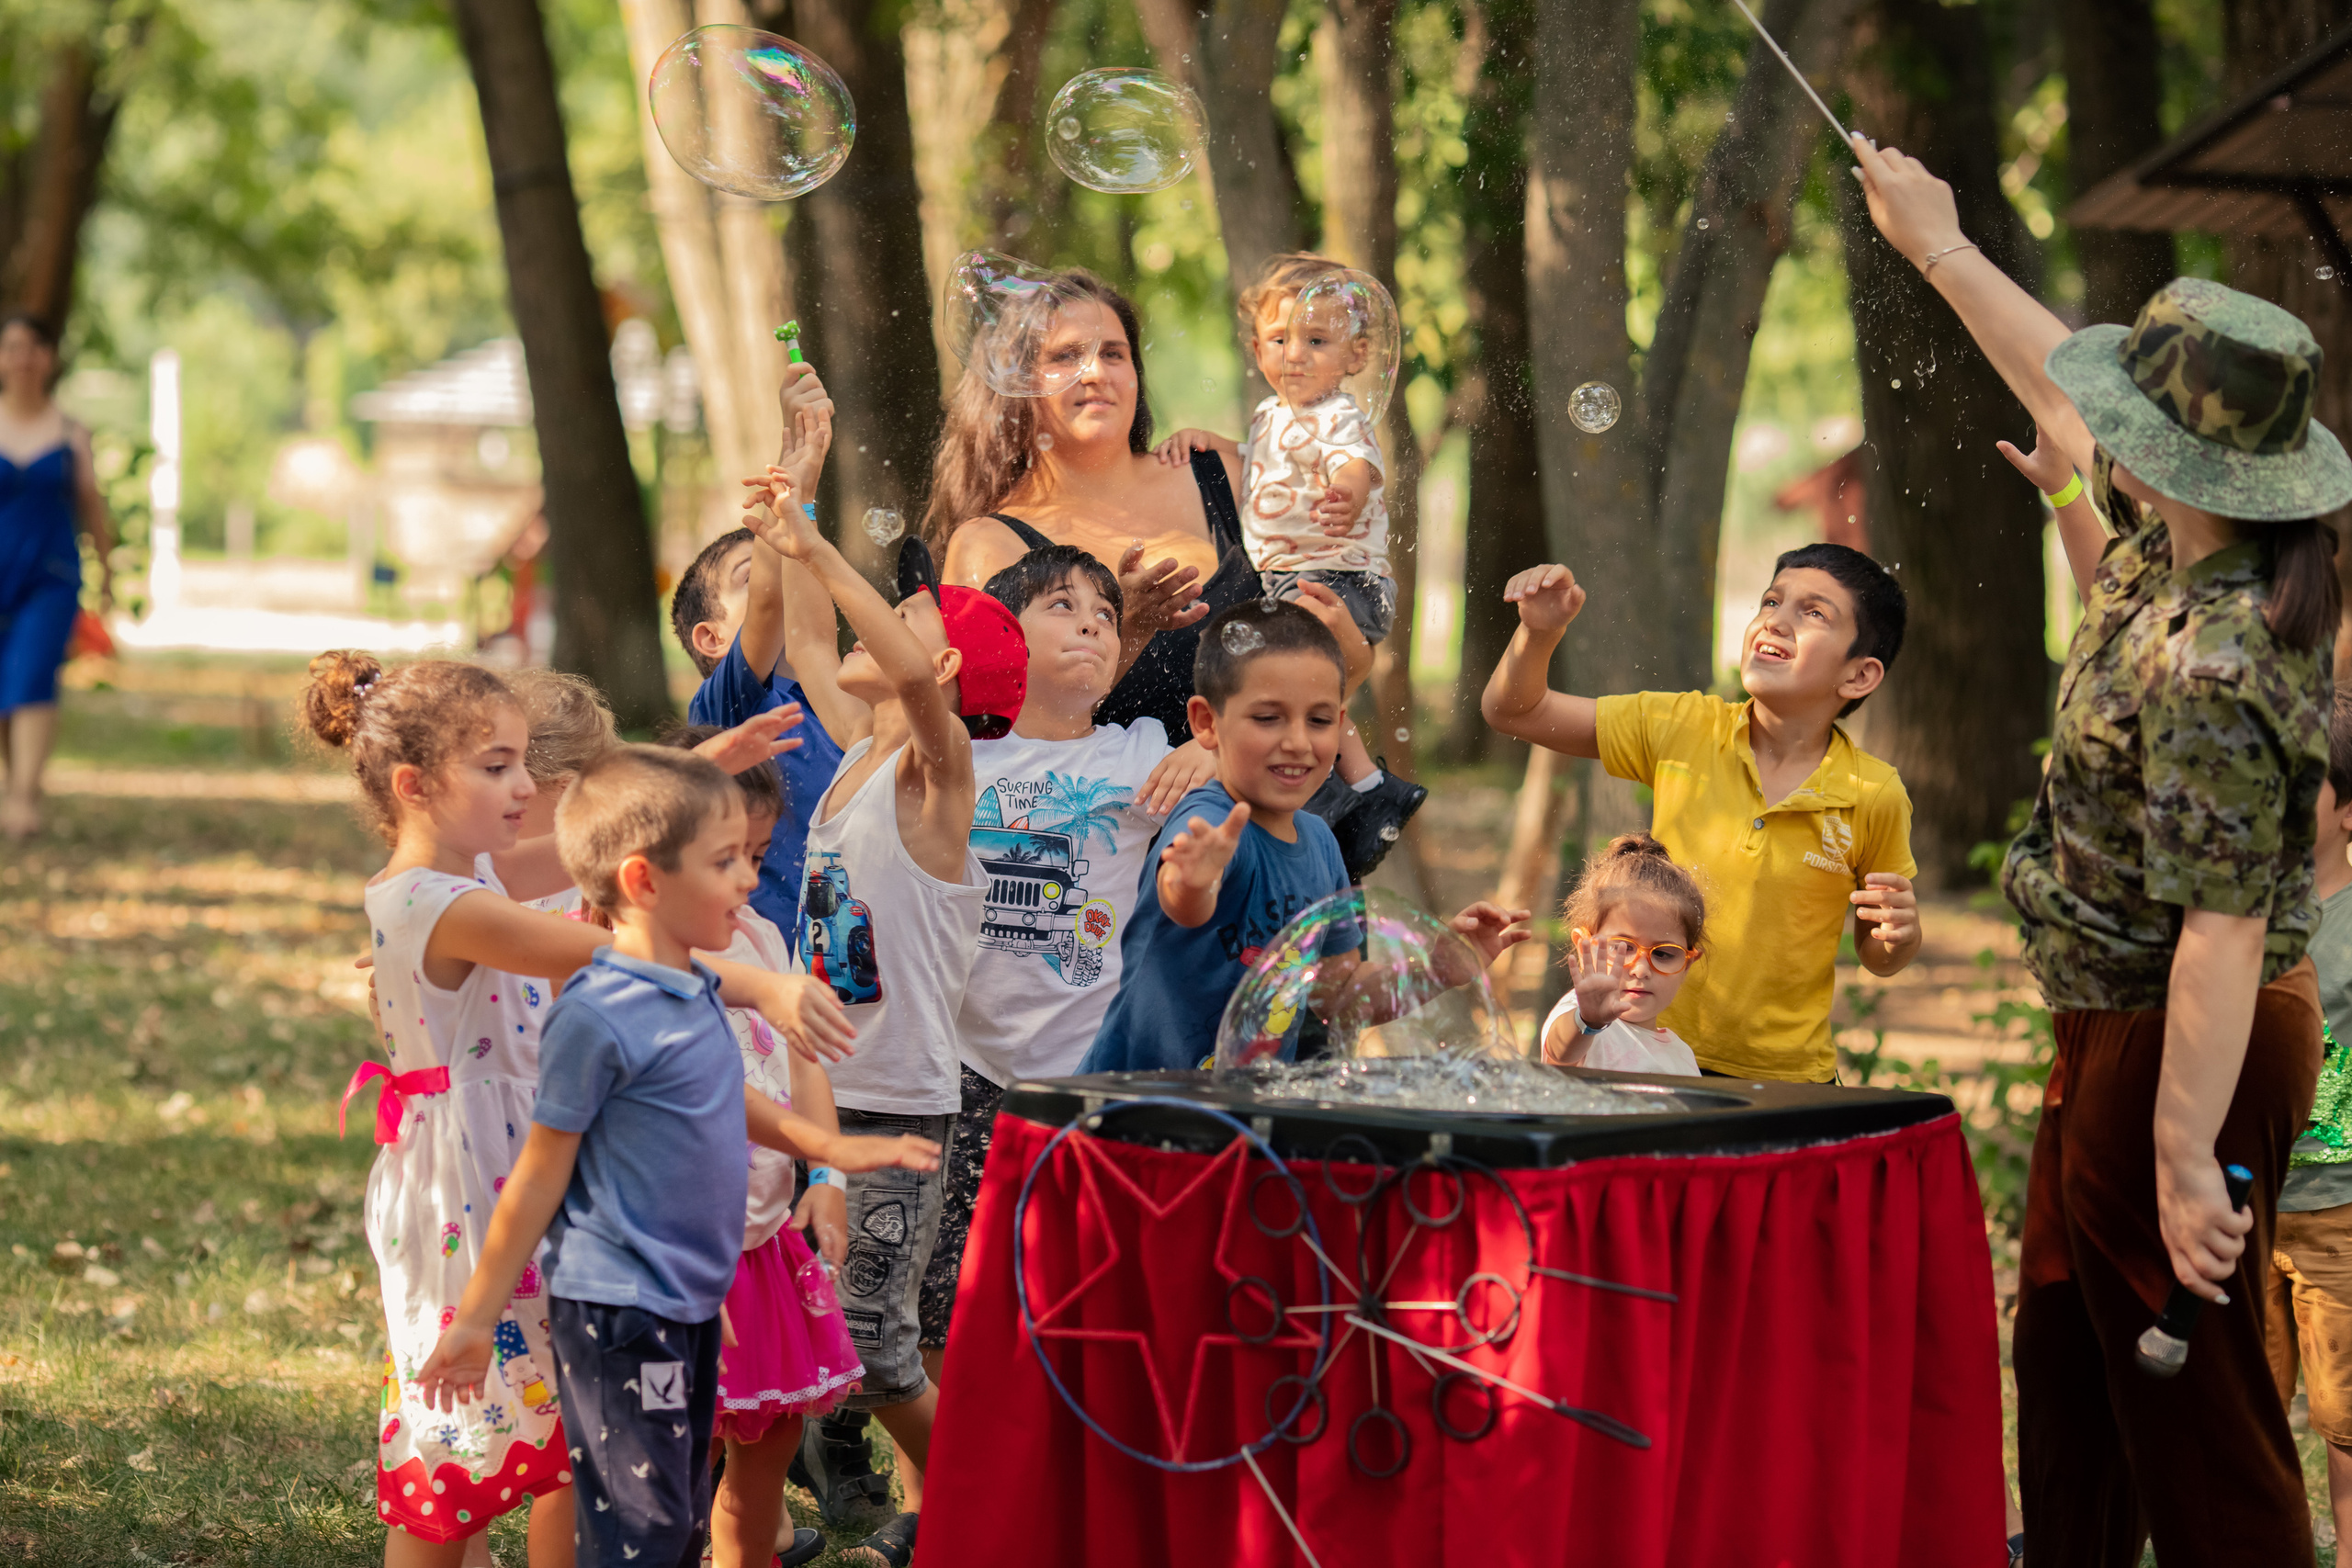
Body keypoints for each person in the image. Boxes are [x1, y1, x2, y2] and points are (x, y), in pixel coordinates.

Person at [1855, 136, 2347, 1564]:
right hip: (2115, 1032)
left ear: (2166, 451)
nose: (2095, 421)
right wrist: (1937, 244)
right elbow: (2058, 381)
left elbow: (2224, 930)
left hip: (2186, 1044)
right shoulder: (2169, 543)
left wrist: (2186, 1159)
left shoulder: (2220, 655)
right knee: (2070, 1378)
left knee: (2201, 1421)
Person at [303, 652, 855, 1568]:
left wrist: (704, 765)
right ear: (414, 784)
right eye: (497, 767)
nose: (525, 785)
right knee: (456, 1452)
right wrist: (762, 985)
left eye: (523, 760)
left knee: (560, 1435)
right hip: (464, 1202)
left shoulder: (470, 870)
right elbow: (611, 960)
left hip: (510, 1178)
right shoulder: (436, 901)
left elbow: (588, 848)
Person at [410, 745, 935, 1568]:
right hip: (623, 1314)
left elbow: (730, 1097)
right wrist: (476, 1317)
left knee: (683, 1511)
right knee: (642, 1527)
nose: (747, 880)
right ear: (645, 882)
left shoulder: (690, 988)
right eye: (724, 861)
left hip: (692, 1301)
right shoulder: (596, 1013)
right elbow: (542, 1171)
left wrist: (827, 1151)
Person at [739, 472, 1027, 1568]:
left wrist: (816, 550)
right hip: (815, 1094)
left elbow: (901, 666)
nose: (883, 625)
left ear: (943, 671)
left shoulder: (939, 774)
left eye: (908, 616)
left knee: (874, 1347)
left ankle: (985, 1509)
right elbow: (819, 639)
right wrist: (791, 502)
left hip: (895, 1107)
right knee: (809, 1325)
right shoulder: (861, 755)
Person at [910, 544, 1219, 1393]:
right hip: (968, 1065)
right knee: (940, 1292)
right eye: (1061, 605)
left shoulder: (1139, 750)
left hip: (1093, 1068)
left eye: (1106, 613)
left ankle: (1057, 1455)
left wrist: (1211, 754)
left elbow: (1252, 763)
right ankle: (930, 1501)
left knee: (1084, 1285)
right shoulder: (960, 757)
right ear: (1005, 638)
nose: (1090, 620)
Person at [1480, 544, 1922, 1081]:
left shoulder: (1873, 792)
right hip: (1643, 1060)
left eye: (1814, 613)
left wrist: (1899, 936)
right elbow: (1514, 710)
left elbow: (1879, 956)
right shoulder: (1684, 727)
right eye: (1771, 601)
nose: (1776, 622)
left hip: (1786, 1081)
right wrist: (1540, 633)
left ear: (1858, 676)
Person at [1080, 597, 1526, 1075]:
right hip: (1135, 1109)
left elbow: (1338, 995)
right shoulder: (1211, 817)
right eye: (1268, 718)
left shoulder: (1319, 843)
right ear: (1207, 723)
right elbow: (1185, 901)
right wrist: (1191, 880)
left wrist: (1436, 972)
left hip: (1245, 1120)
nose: (1296, 741)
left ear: (1339, 725)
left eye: (1316, 720)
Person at [1155, 252, 1427, 874]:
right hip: (1291, 577)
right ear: (1257, 349)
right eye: (1280, 339)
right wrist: (1216, 444)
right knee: (1298, 690)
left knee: (1281, 675)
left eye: (1316, 339)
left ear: (1354, 357)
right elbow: (1263, 459)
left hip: (1342, 578)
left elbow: (1356, 463)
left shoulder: (1338, 415)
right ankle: (1367, 793)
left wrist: (1349, 490)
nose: (1295, 353)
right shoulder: (1272, 416)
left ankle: (1357, 789)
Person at [675, 359, 854, 953]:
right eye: (748, 575)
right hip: (755, 961)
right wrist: (791, 467)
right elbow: (773, 608)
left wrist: (795, 502)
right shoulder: (724, 707)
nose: (778, 562)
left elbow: (806, 614)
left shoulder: (838, 697)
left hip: (841, 964)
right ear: (711, 637)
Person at [2268, 691, 2352, 1552]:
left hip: (2342, 1215)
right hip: (2238, 1208)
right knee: (2247, 1413)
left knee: (2346, 1426)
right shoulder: (2233, 913)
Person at [0, 311, 112, 841]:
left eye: (33, 348)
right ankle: (12, 783)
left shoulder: (71, 433)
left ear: (48, 358)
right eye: (12, 348)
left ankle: (24, 797)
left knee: (32, 673)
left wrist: (107, 573)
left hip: (52, 575)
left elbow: (92, 507)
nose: (23, 358)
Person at [1540, 833, 1704, 1077]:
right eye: (1622, 948)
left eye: (1663, 954)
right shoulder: (1581, 1016)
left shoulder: (1682, 1056)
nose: (1641, 970)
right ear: (1583, 944)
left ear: (1687, 964)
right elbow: (1559, 1052)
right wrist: (1588, 1022)